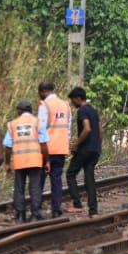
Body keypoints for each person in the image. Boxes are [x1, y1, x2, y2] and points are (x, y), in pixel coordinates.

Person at [3, 100, 45, 221]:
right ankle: (35, 215)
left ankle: (20, 215)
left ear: (19, 111)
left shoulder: (13, 124)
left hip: (19, 161)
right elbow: (44, 145)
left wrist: (7, 163)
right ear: (31, 111)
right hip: (35, 160)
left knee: (19, 188)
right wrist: (46, 160)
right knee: (35, 188)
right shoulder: (38, 122)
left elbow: (8, 146)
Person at [37, 80, 72, 217]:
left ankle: (37, 210)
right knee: (56, 180)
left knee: (39, 180)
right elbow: (68, 129)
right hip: (61, 148)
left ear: (43, 91)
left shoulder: (44, 105)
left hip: (46, 149)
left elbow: (41, 129)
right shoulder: (66, 105)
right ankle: (56, 210)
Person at [66, 87, 101, 216]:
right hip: (95, 149)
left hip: (85, 149)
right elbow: (99, 131)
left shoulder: (83, 111)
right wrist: (97, 145)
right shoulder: (94, 110)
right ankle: (93, 209)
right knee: (89, 178)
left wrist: (76, 144)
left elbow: (87, 129)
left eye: (73, 100)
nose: (73, 103)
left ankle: (77, 204)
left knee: (70, 174)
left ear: (78, 99)